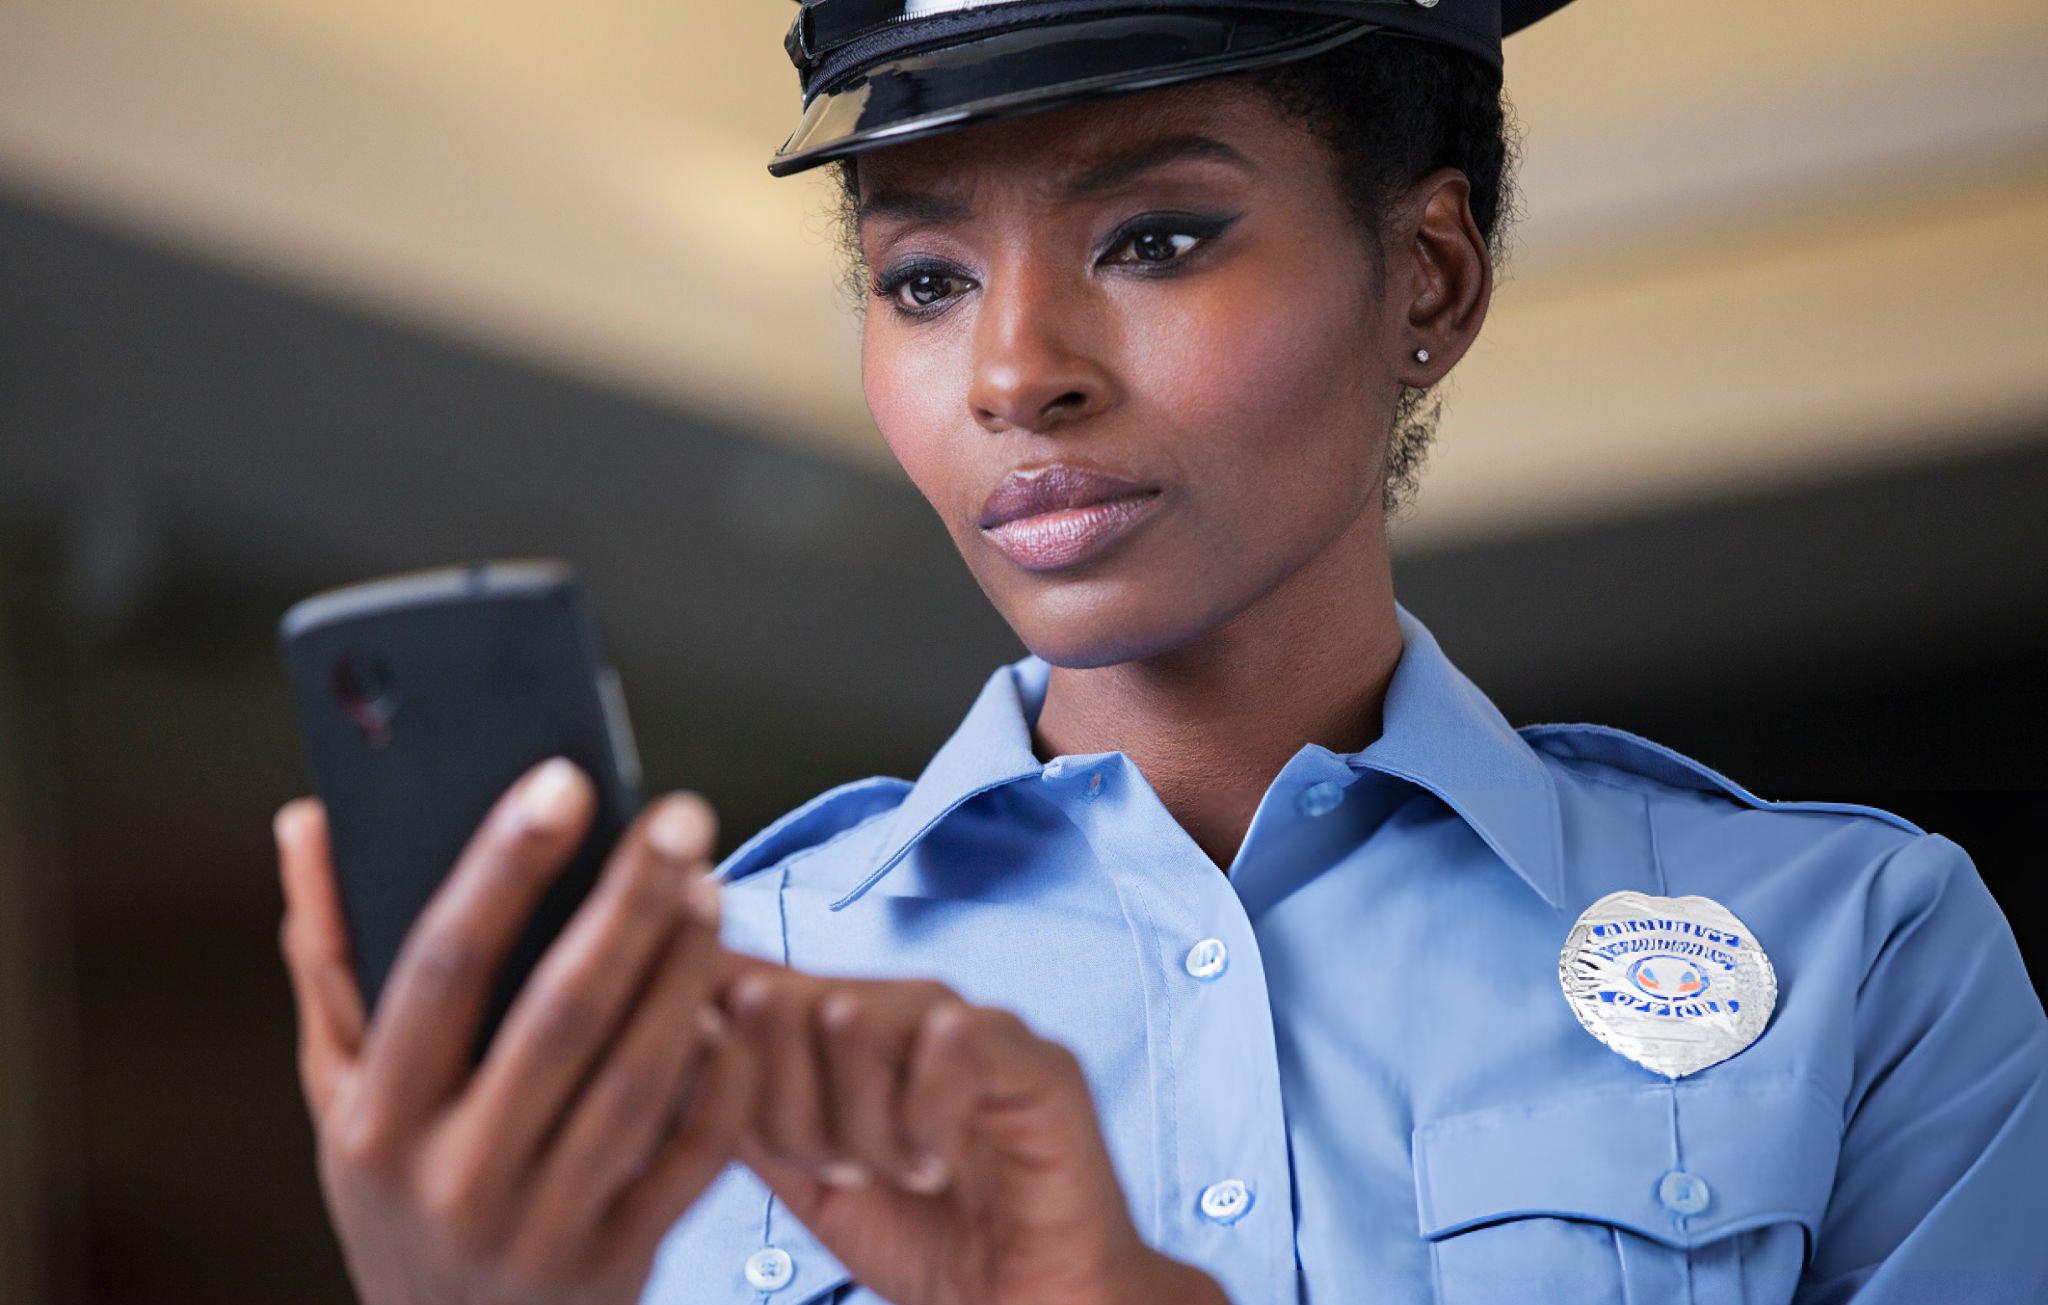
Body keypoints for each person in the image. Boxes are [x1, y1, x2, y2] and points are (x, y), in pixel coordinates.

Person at [272, 2, 2048, 1303]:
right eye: (923, 279)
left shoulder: (1857, 956)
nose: (1013, 372)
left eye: (1157, 238)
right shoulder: (686, 1011)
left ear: (1429, 278)